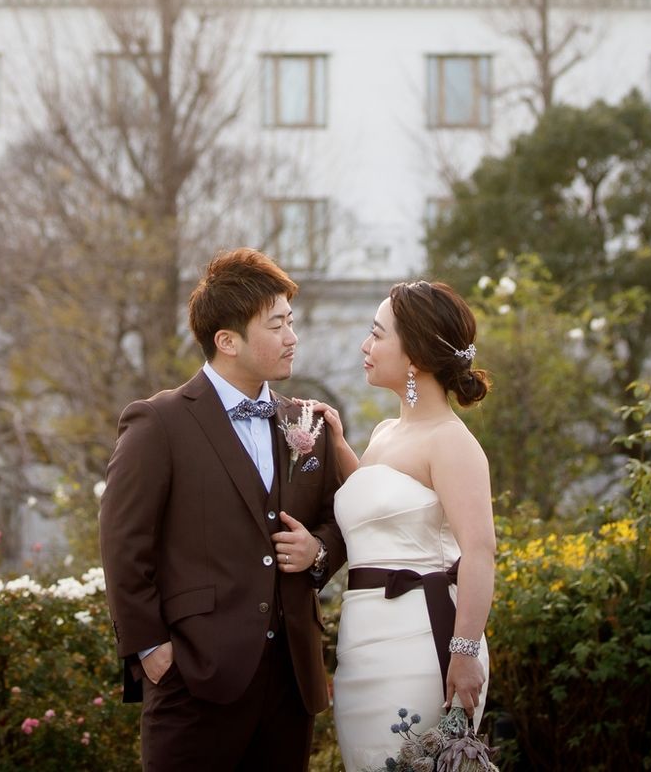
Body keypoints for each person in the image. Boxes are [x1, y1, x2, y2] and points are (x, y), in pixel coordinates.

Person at [99, 247, 347, 772]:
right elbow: (124, 544)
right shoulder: (158, 423)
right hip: (193, 679)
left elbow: (342, 518)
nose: (292, 337)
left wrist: (318, 551)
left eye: (291, 321)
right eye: (277, 324)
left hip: (290, 682)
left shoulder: (307, 423)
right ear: (227, 341)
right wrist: (151, 650)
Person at [311, 279, 495, 772]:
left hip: (421, 642)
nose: (364, 346)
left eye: (376, 334)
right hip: (363, 642)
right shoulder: (386, 432)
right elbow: (381, 510)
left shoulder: (451, 442)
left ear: (413, 355)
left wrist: (463, 653)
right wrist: (338, 446)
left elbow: (480, 552)